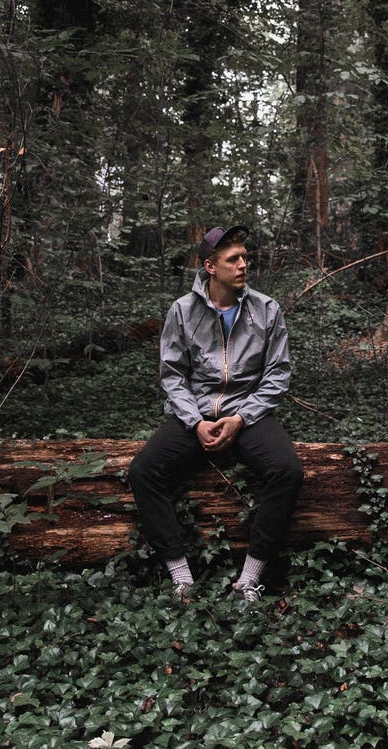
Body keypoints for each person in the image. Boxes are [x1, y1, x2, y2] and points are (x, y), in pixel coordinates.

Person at [125, 224, 304, 604]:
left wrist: (241, 419)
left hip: (247, 413)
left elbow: (278, 373)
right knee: (143, 471)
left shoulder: (266, 309)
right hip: (197, 414)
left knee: (287, 470)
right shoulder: (183, 311)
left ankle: (250, 579)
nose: (243, 265)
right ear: (210, 266)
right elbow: (173, 375)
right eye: (232, 259)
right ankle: (181, 577)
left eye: (244, 257)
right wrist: (196, 421)